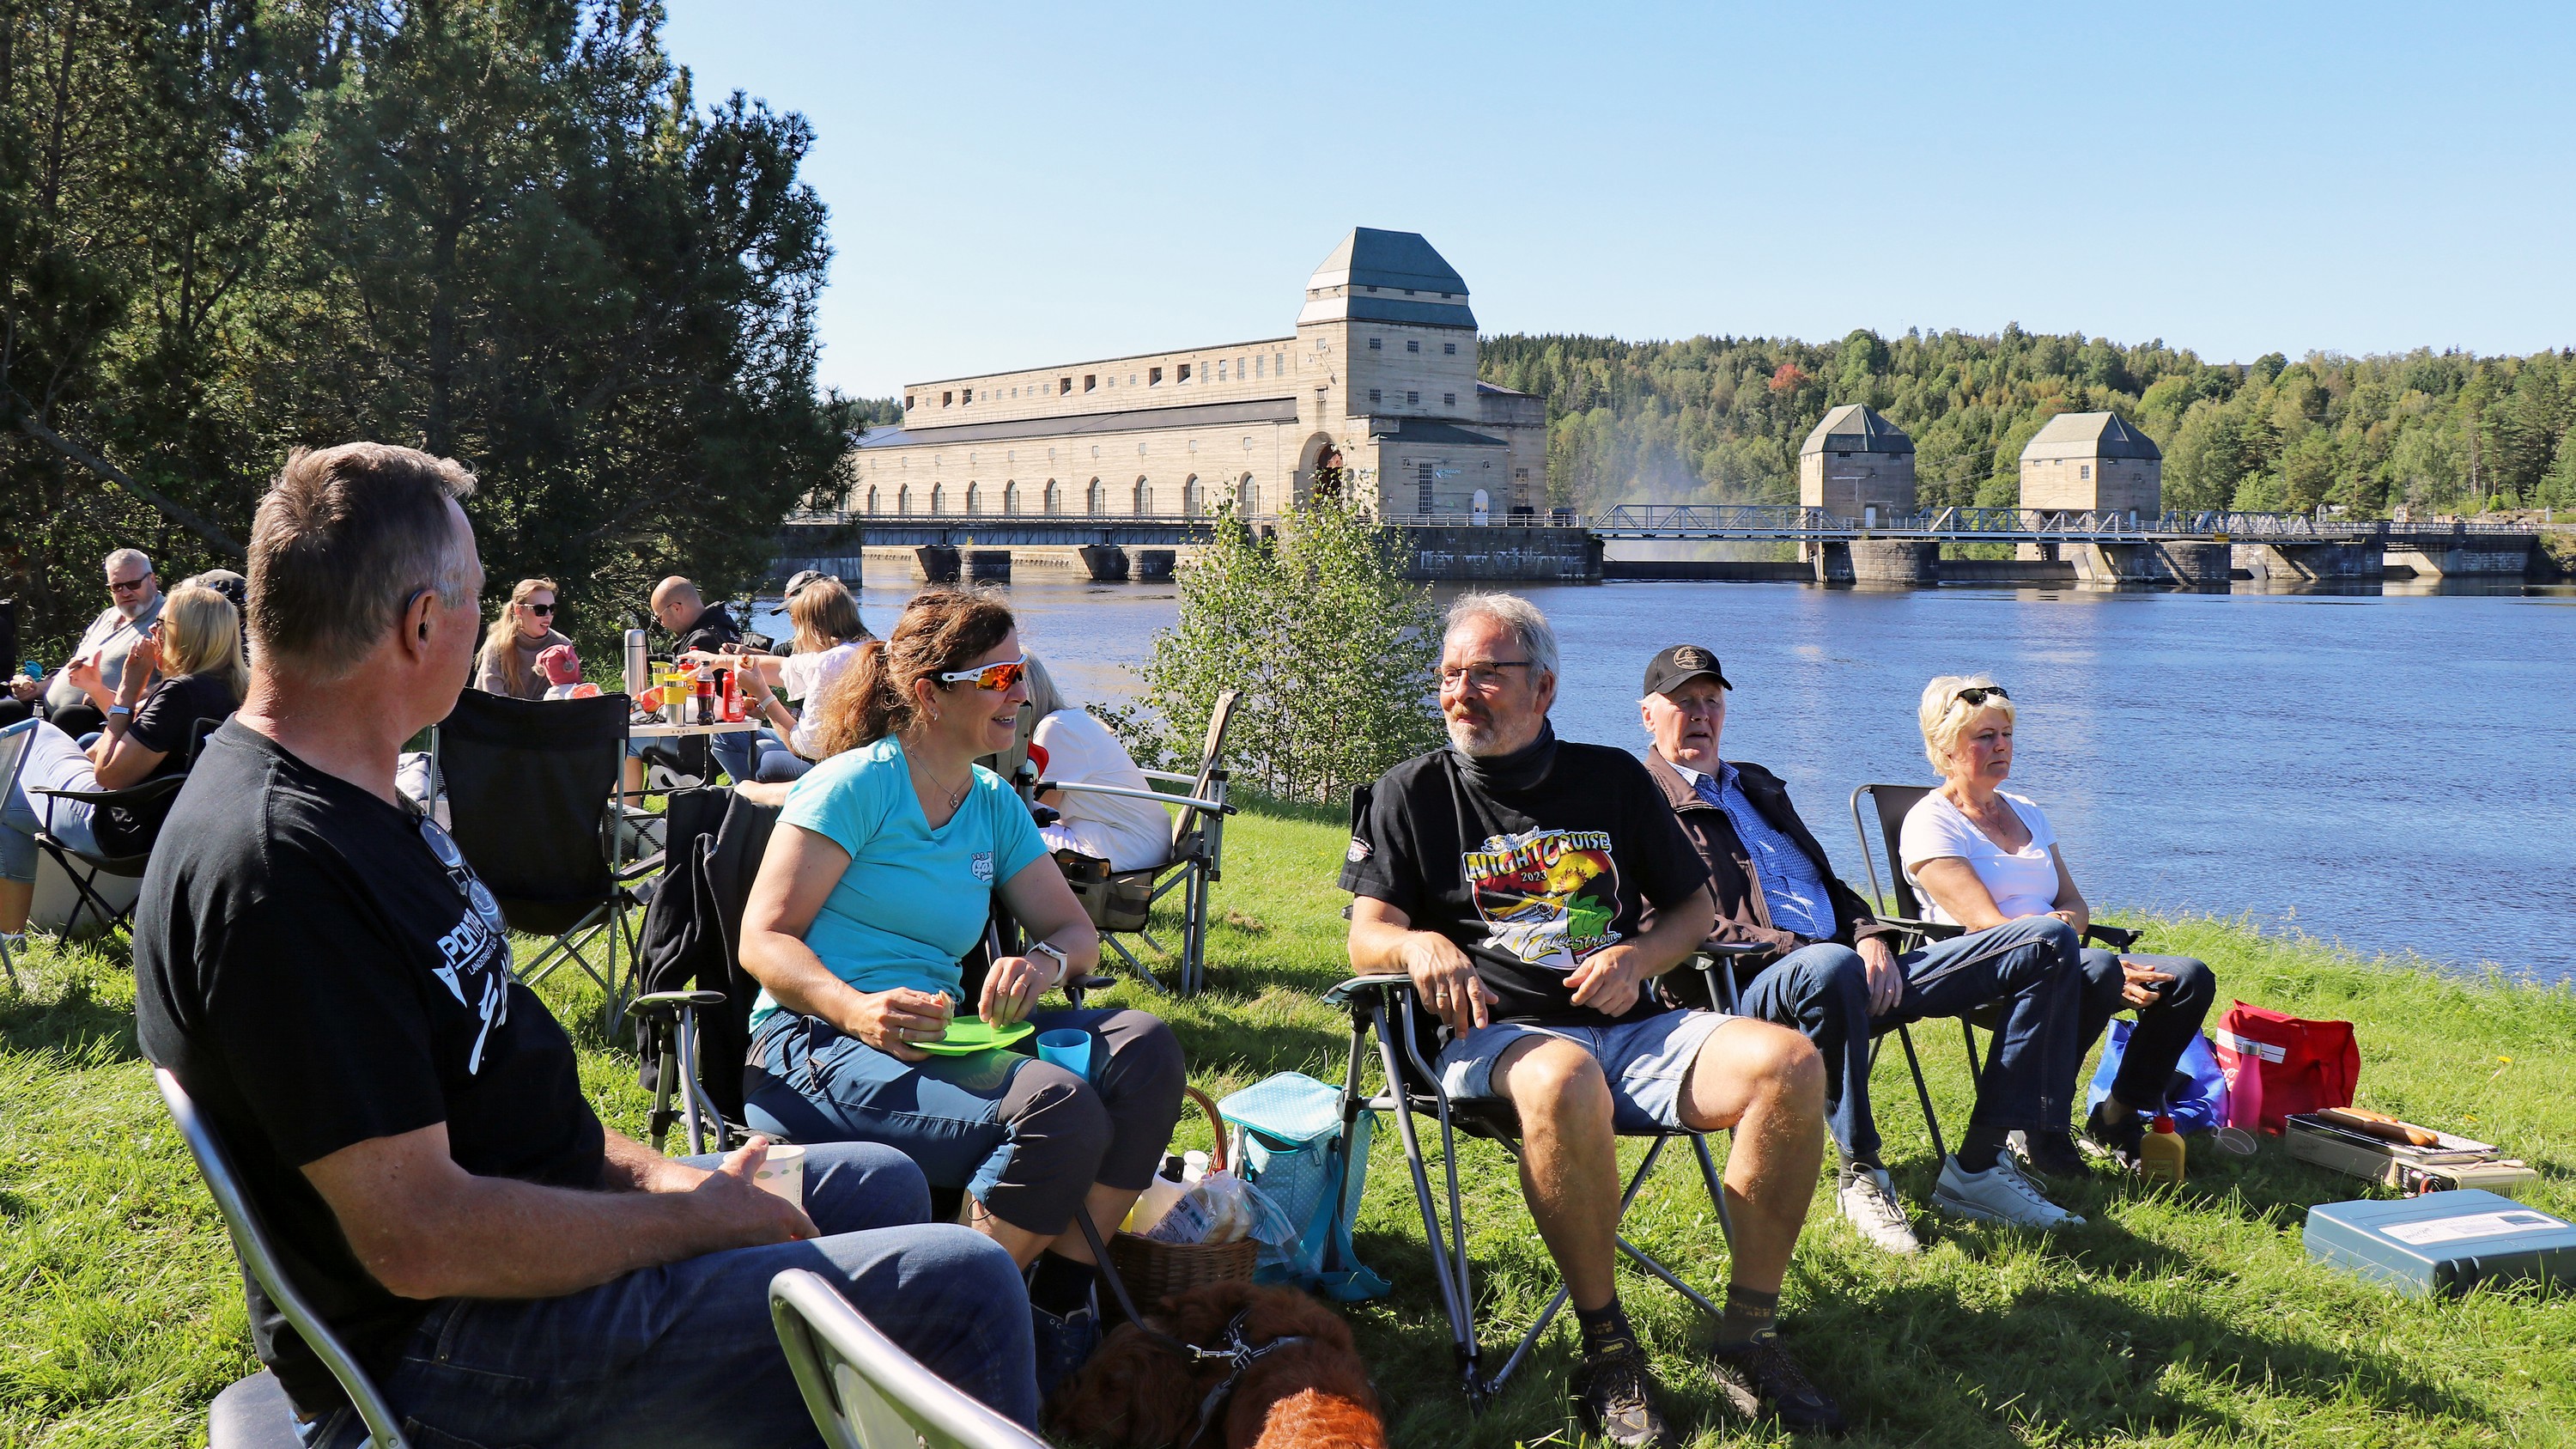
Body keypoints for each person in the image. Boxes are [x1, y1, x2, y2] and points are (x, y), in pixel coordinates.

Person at [133, 443, 1036, 1448]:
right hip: (445, 1353)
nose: (487, 618)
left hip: (519, 1236)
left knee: (882, 1183)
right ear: (422, 624)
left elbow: (507, 1109)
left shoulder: (357, 798)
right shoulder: (280, 871)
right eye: (480, 596)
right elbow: (417, 1239)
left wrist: (666, 1181)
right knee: (965, 1284)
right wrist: (686, 1223)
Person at [1342, 593, 1844, 1443]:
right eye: (1450, 675)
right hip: (1496, 1040)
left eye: (1485, 674)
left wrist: (1638, 959)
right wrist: (1417, 943)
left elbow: (1691, 908)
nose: (1460, 692)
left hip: (1633, 1026)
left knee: (1789, 1062)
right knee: (1566, 1075)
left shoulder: (1612, 778)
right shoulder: (1411, 792)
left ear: (1543, 688)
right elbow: (1368, 935)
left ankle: (1747, 1335)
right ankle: (1608, 1347)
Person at [738, 587, 1185, 1396]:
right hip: (814, 1042)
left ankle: (1055, 1303)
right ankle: (939, 1343)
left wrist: (1043, 965)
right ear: (929, 693)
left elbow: (1073, 931)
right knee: (1058, 1111)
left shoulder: (991, 802)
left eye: (1022, 672)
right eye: (1000, 677)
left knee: (1145, 1049)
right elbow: (762, 939)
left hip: (937, 1037)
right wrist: (854, 1008)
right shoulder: (854, 786)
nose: (1021, 692)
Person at [1631, 644, 1925, 1255]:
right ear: (1648, 715)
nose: (1701, 714)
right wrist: (1805, 947)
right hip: (1739, 989)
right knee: (1829, 966)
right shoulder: (1641, 800)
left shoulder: (1755, 784)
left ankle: (1999, 1154)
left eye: (1711, 700)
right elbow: (1666, 921)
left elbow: (1824, 880)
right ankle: (1862, 1173)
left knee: (2038, 945)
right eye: (1684, 701)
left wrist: (1869, 933)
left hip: (1846, 965)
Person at [1900, 675, 2217, 1173]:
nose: (2001, 746)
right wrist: (2073, 950)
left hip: (2061, 952)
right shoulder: (1930, 821)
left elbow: (2074, 903)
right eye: (1985, 736)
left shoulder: (2027, 811)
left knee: (2187, 978)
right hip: (1982, 965)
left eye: (2006, 734)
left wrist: (2069, 933)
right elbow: (1986, 923)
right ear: (1946, 748)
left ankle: (2116, 1115)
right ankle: (2039, 1128)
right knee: (2098, 970)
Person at [0, 581, 245, 941]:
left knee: (34, 731)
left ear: (185, 633)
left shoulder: (180, 692)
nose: (152, 633)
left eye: (160, 624)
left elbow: (108, 775)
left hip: (120, 834)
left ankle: (10, 938)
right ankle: (10, 940)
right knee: (8, 810)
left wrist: (129, 689)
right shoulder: (235, 691)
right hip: (176, 834)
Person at [687, 573, 870, 783]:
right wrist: (718, 661)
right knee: (728, 736)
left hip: (840, 766)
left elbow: (805, 747)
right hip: (853, 757)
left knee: (768, 762)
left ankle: (752, 797)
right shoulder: (856, 648)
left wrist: (762, 695)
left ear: (813, 628)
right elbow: (784, 667)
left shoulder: (831, 662)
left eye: (796, 622)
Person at [1024, 654, 1169, 872]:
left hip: (1127, 848)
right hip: (1142, 841)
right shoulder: (1071, 719)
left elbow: (1039, 810)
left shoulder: (1055, 729)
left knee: (1005, 830)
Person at [8, 548, 164, 738]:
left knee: (69, 717)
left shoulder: (167, 620)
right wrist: (37, 688)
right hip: (49, 712)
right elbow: (74, 670)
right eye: (117, 587)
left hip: (103, 720)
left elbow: (175, 684)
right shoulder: (108, 616)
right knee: (6, 710)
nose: (125, 592)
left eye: (133, 584)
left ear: (152, 580)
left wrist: (109, 696)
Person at [473, 576, 573, 700]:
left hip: (544, 712)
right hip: (495, 711)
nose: (548, 615)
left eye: (552, 609)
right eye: (540, 610)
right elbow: (494, 698)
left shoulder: (562, 646)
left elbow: (561, 696)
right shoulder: (497, 645)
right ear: (519, 611)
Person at [652, 575, 744, 654]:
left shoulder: (700, 642)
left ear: (676, 608)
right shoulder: (720, 622)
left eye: (659, 618)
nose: (662, 624)